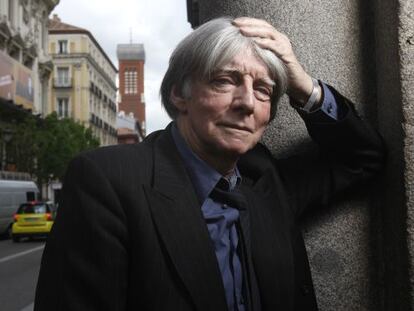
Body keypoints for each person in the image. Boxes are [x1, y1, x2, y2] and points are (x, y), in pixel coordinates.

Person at [35, 17, 385, 311]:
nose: (247, 102)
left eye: (263, 89)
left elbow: (363, 156)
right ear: (179, 94)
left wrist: (304, 88)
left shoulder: (264, 179)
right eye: (225, 80)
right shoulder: (108, 181)